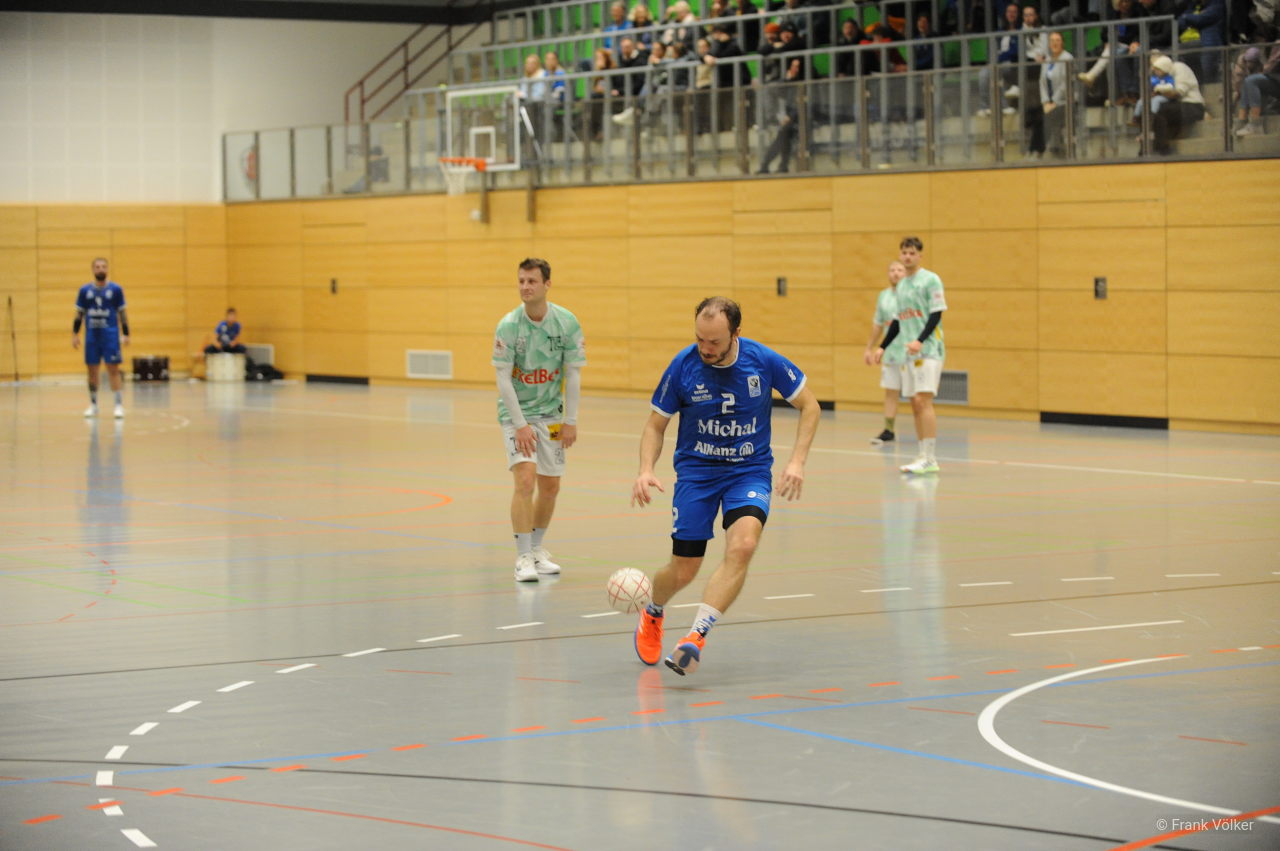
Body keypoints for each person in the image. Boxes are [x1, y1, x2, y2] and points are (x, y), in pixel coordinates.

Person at [631, 297, 820, 676]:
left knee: (743, 545)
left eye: (714, 341)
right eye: (700, 339)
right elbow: (655, 424)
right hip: (697, 473)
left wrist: (797, 461)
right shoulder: (683, 365)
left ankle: (696, 637)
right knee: (684, 570)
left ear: (736, 333)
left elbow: (810, 406)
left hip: (748, 472)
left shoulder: (762, 361)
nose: (705, 348)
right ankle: (653, 611)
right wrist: (645, 469)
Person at [492, 259, 585, 583]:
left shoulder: (567, 323)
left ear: (547, 284)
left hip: (552, 415)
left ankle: (536, 548)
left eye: (531, 281)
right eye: (521, 281)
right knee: (525, 480)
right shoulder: (508, 326)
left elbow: (573, 374)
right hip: (517, 415)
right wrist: (520, 425)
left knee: (550, 486)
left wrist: (570, 420)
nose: (525, 287)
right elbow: (503, 378)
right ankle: (522, 557)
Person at [873, 236, 946, 475]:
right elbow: (897, 321)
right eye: (904, 252)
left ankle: (930, 457)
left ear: (920, 256)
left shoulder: (930, 280)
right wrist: (883, 346)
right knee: (915, 403)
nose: (907, 257)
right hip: (908, 354)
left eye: (912, 253)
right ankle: (922, 454)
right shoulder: (902, 285)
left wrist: (920, 340)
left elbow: (936, 314)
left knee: (923, 401)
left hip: (929, 351)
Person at [72, 257, 129, 419]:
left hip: (110, 335)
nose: (100, 269)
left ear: (107, 269)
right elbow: (79, 314)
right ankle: (93, 405)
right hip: (92, 336)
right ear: (93, 269)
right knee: (92, 371)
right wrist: (75, 334)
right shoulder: (85, 291)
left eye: (103, 266)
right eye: (97, 267)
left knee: (113, 370)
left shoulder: (116, 289)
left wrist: (126, 333)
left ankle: (118, 405)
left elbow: (122, 313)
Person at [864, 261, 908, 445]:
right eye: (892, 270)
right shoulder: (884, 296)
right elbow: (878, 324)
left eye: (899, 270)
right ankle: (889, 429)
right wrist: (870, 347)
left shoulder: (911, 294)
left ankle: (923, 431)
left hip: (910, 351)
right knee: (891, 390)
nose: (895, 273)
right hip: (891, 351)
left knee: (917, 394)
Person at [1040, 31, 1074, 158]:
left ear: (1062, 43)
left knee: (1051, 116)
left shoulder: (1068, 58)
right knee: (1036, 115)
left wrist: (1053, 102)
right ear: (1049, 44)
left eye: (1058, 40)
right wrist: (1045, 101)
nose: (1055, 43)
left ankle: (1054, 149)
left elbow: (1066, 83)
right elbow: (1041, 82)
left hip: (1065, 101)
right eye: (1052, 40)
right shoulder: (1047, 60)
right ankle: (1039, 150)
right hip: (1049, 103)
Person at [1234, 43, 1280, 136]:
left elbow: (1272, 65)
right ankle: (1242, 121)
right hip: (1275, 79)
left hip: (1275, 79)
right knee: (1249, 81)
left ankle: (1255, 124)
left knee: (1252, 80)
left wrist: (1264, 70)